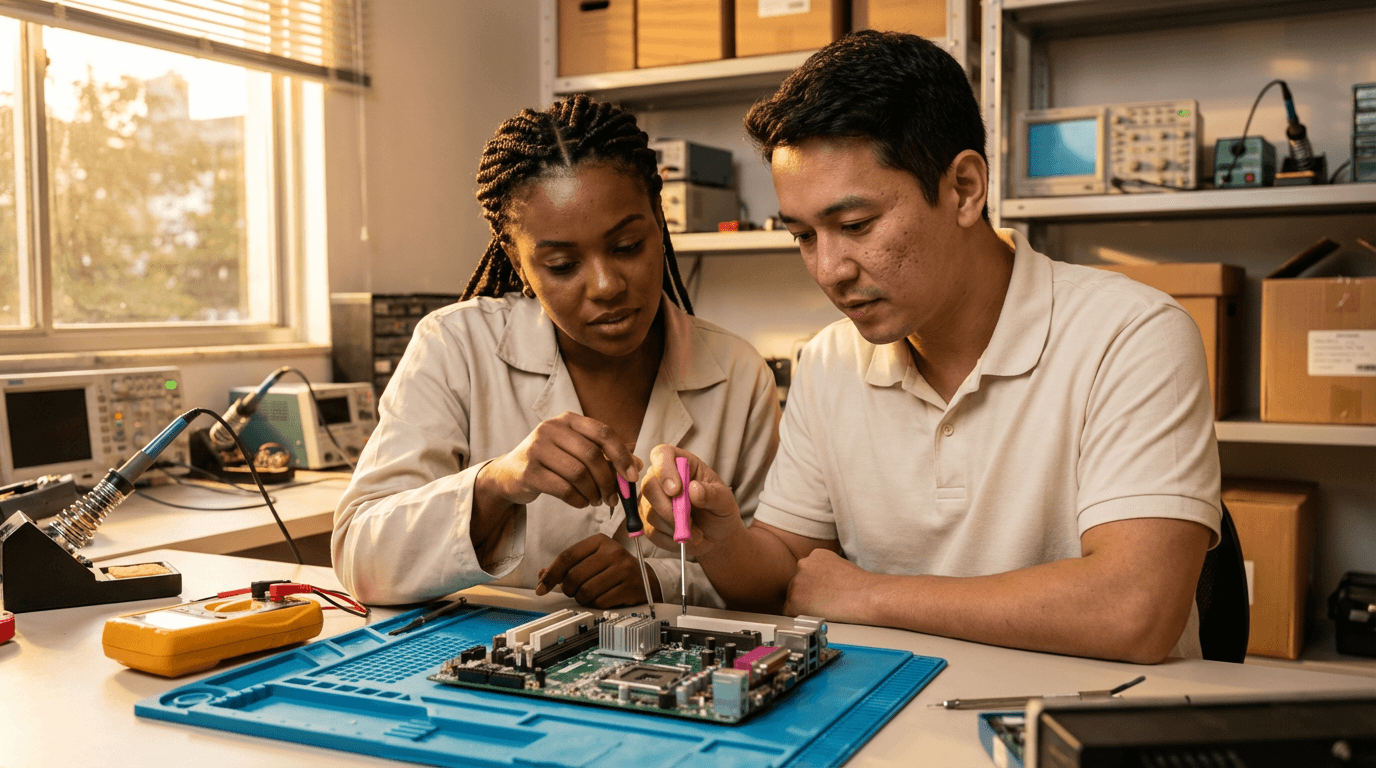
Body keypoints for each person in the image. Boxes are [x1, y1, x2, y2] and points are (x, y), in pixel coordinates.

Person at [637, 31, 1221, 663]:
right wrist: (721, 536)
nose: (829, 268)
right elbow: (789, 573)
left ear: (965, 189)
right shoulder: (831, 360)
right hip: (885, 712)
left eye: (856, 226)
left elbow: (1134, 611)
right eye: (803, 235)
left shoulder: (1130, 334)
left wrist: (870, 597)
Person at [333, 95, 779, 609]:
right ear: (517, 262)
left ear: (660, 220)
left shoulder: (737, 374)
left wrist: (659, 583)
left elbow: (770, 579)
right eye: (563, 265)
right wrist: (496, 485)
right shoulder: (456, 347)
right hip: (487, 674)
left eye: (628, 245)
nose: (607, 285)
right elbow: (360, 558)